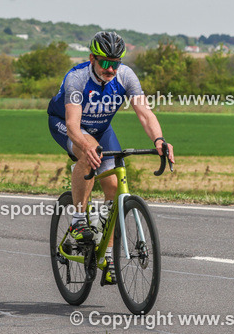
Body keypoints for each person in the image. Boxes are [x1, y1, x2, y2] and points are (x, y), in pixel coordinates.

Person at [47, 31, 174, 285]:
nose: (111, 69)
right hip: (65, 124)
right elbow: (73, 125)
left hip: (102, 129)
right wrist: (84, 144)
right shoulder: (77, 78)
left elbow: (144, 114)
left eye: (116, 63)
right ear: (92, 58)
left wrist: (159, 140)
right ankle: (78, 219)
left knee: (115, 189)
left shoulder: (126, 76)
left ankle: (107, 254)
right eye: (105, 62)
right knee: (88, 150)